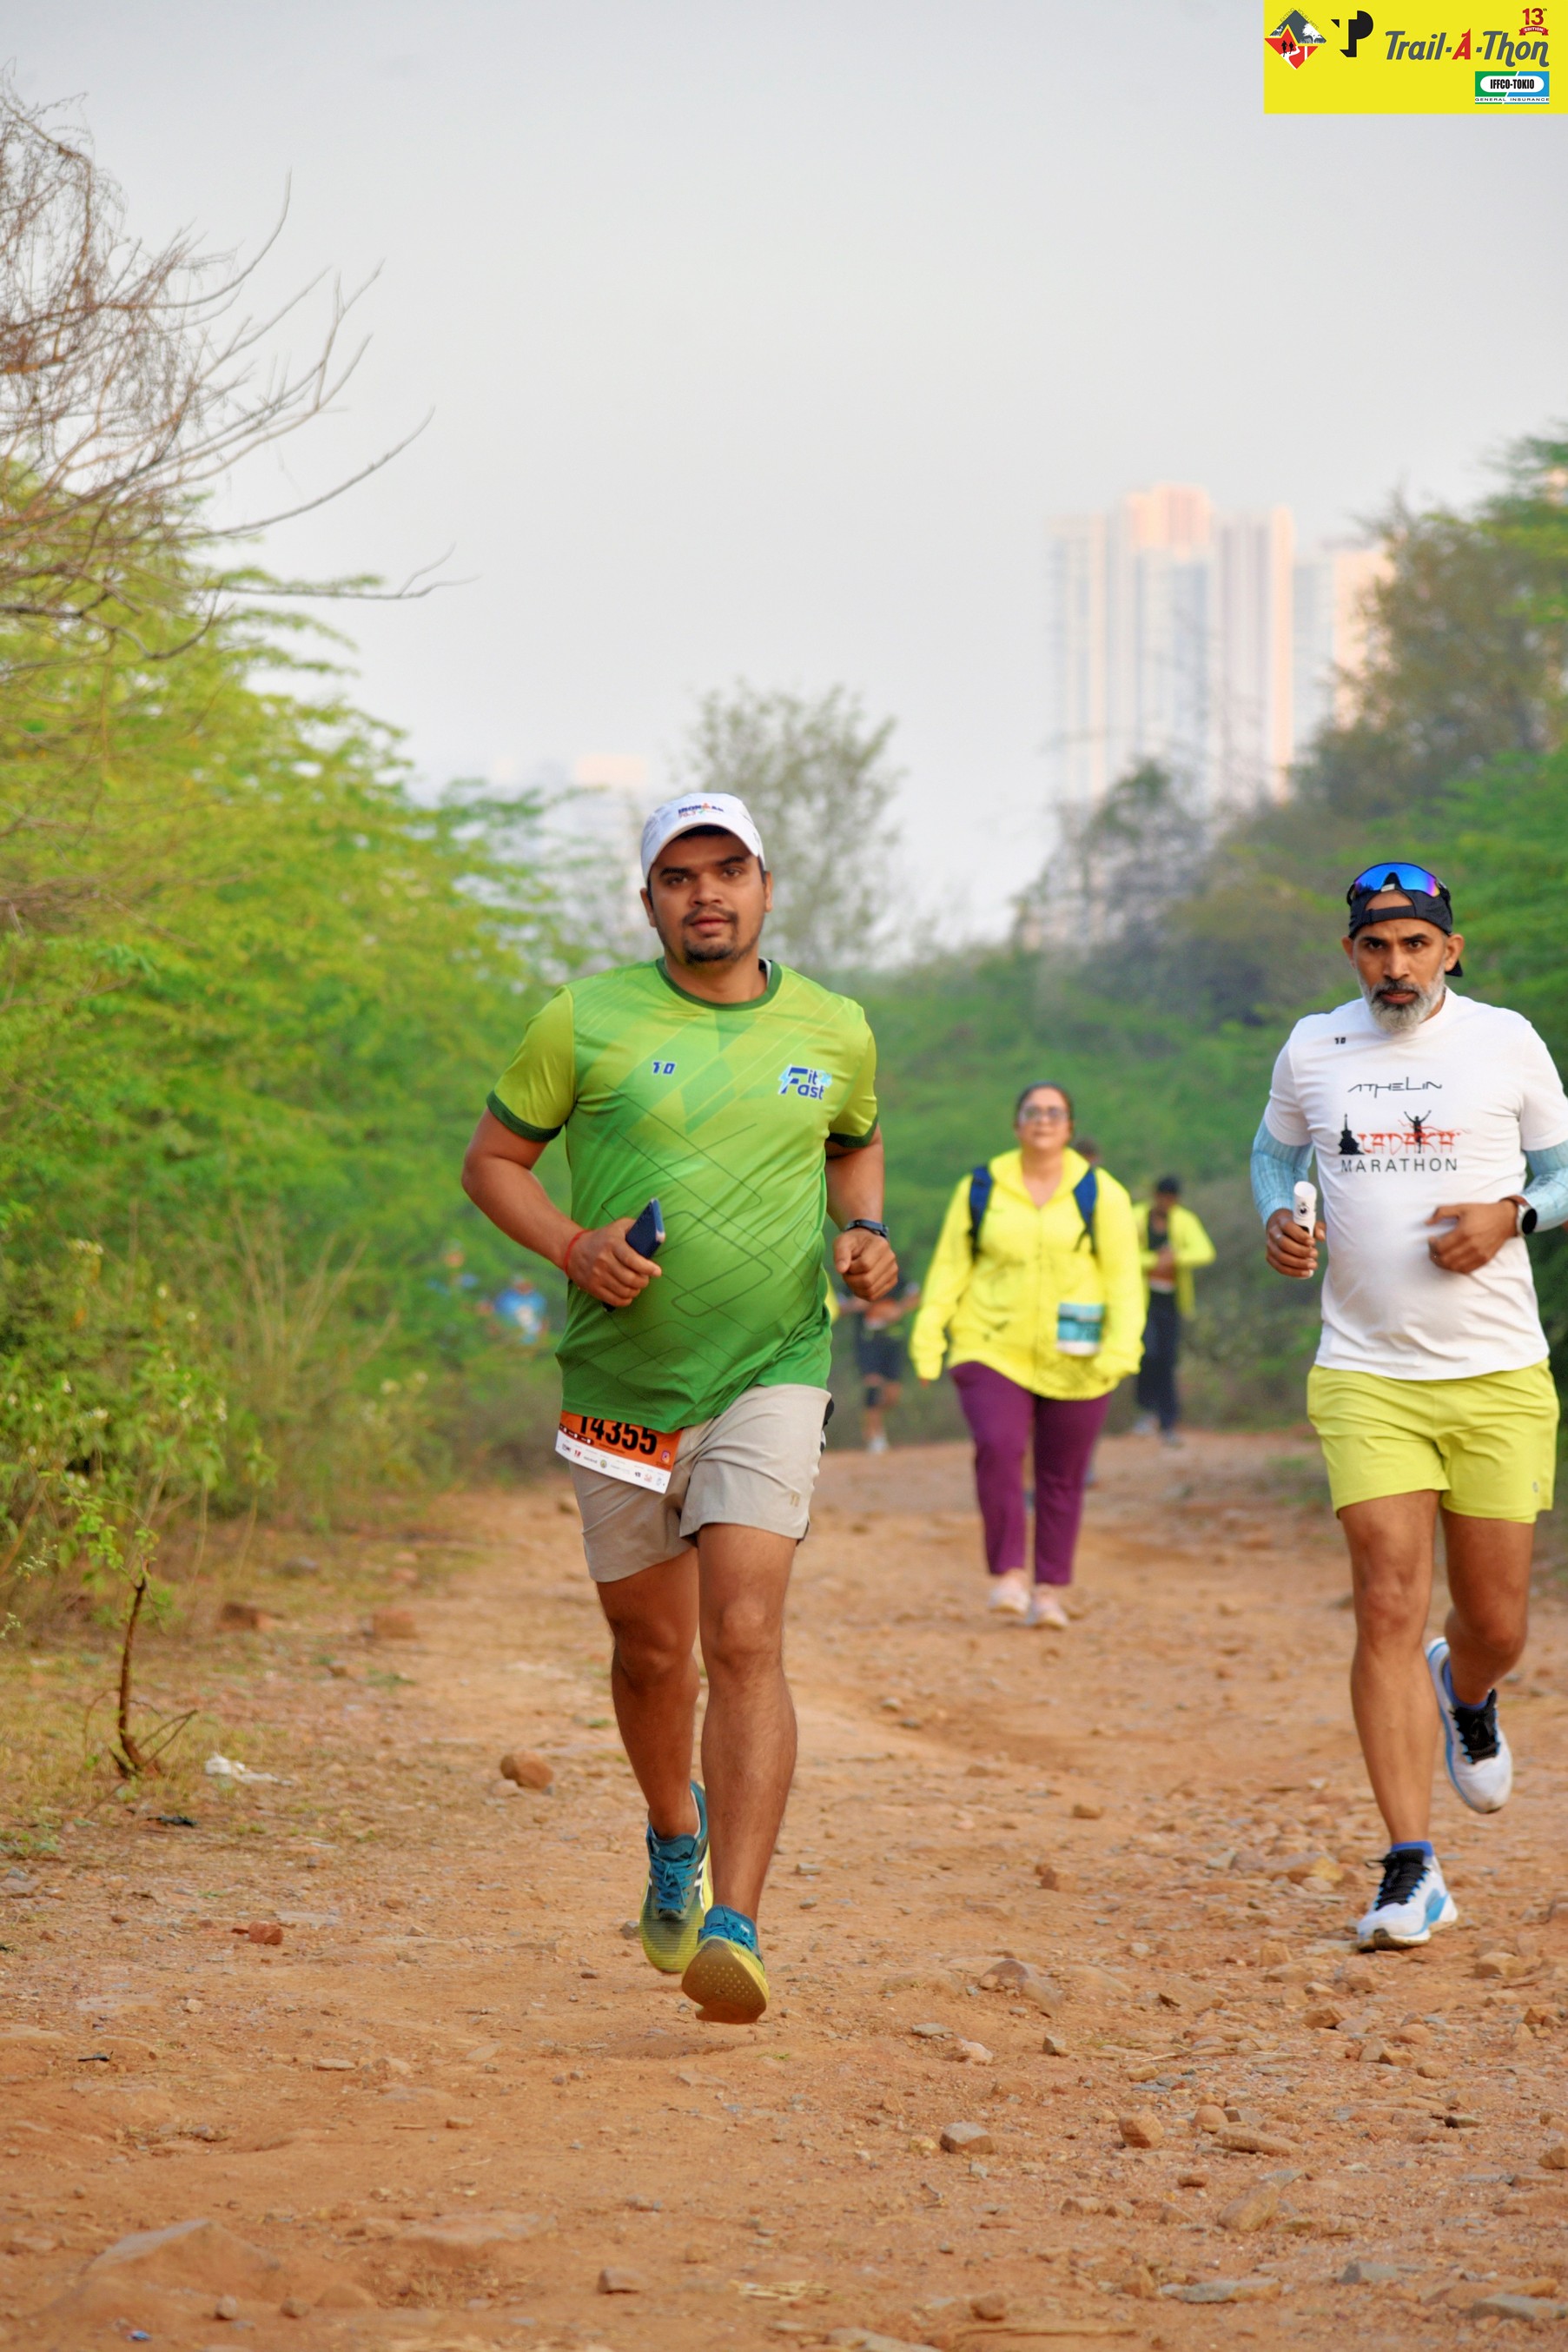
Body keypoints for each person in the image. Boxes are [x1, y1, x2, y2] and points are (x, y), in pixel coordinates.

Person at [460, 791, 897, 2023]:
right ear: (649, 899)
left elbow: (853, 1140)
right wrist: (573, 1245)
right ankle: (672, 1830)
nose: (706, 893)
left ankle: (736, 1922)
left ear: (765, 885)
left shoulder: (835, 1026)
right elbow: (491, 1162)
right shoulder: (582, 1019)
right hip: (620, 1382)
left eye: (728, 870)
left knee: (744, 1632)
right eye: (678, 876)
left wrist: (865, 1230)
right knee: (652, 1652)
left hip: (774, 1364)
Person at [1254, 861, 1568, 1952]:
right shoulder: (1312, 1046)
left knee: (1494, 1623)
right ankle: (1409, 1864)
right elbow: (1272, 1155)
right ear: (1351, 953)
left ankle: (1465, 1691)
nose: (1395, 965)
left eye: (1414, 945)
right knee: (1386, 1598)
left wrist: (1509, 1215)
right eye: (1375, 946)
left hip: (1496, 1373)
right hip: (1364, 1373)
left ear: (1449, 950)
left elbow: (1561, 1169)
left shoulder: (1504, 1041)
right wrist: (1277, 1219)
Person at [910, 1082, 1143, 1627]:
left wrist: (1121, 1350)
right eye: (1032, 1111)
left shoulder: (1101, 1192)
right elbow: (949, 1268)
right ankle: (1010, 1574)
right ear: (1016, 1124)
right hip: (991, 1344)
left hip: (1080, 1354)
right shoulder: (981, 1186)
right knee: (999, 1447)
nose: (1042, 1120)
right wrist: (929, 1338)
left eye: (1054, 1113)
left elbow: (1124, 1279)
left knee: (1063, 1475)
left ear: (1070, 1128)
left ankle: (1048, 1591)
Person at [1132, 1176, 1215, 1445]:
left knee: (1167, 1359)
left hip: (1171, 1302)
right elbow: (1122, 1252)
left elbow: (1205, 1252)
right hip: (1141, 1301)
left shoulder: (1184, 1220)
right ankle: (1147, 1410)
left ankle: (1167, 1421)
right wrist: (1153, 1261)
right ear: (1155, 1196)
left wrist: (1175, 1259)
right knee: (1147, 1354)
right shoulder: (1136, 1217)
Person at [843, 1278, 920, 1452]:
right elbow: (837, 1306)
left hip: (892, 1342)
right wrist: (855, 1305)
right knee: (873, 1386)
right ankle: (874, 1435)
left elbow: (915, 1294)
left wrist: (898, 1309)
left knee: (892, 1395)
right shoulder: (853, 1278)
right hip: (867, 1342)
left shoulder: (893, 1275)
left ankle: (875, 1421)